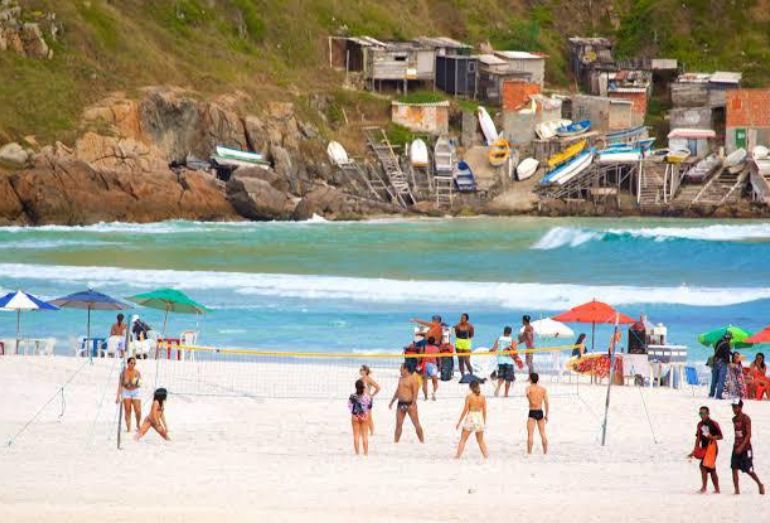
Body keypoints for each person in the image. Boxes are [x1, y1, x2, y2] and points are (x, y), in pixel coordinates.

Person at [730, 399, 765, 495]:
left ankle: (759, 484)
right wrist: (737, 446)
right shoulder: (734, 419)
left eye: (735, 407)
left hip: (745, 447)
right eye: (733, 407)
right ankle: (737, 490)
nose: (734, 409)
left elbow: (748, 434)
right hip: (736, 446)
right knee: (734, 468)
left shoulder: (746, 418)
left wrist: (741, 447)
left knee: (748, 469)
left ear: (740, 407)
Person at [687, 405, 722, 494]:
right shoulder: (699, 424)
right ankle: (714, 489)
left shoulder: (713, 423)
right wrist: (694, 451)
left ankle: (706, 488)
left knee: (705, 467)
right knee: (709, 468)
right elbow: (698, 438)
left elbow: (720, 436)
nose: (701, 415)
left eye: (703, 413)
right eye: (700, 413)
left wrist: (712, 437)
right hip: (704, 448)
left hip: (712, 447)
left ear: (708, 414)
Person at [389, 364, 424, 443]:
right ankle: (396, 442)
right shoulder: (400, 379)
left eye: (401, 369)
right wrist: (392, 402)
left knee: (416, 424)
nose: (400, 370)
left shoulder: (413, 379)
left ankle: (422, 441)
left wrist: (413, 404)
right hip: (400, 404)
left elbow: (415, 392)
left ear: (406, 369)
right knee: (398, 424)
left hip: (410, 403)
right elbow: (398, 391)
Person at [454, 380, 488, 459]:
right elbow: (485, 411)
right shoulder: (483, 397)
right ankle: (486, 456)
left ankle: (457, 456)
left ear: (470, 388)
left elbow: (465, 410)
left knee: (463, 439)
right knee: (480, 441)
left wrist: (459, 422)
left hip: (471, 416)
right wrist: (484, 421)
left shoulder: (469, 397)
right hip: (479, 417)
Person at [115, 357, 142, 432]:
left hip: (135, 391)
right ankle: (128, 428)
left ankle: (138, 424)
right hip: (126, 392)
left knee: (138, 410)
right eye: (131, 363)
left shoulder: (137, 372)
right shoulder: (123, 373)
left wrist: (133, 384)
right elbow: (120, 385)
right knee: (127, 410)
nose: (133, 365)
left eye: (134, 363)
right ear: (128, 363)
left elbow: (140, 384)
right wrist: (117, 396)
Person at [525, 373, 549, 455]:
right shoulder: (543, 389)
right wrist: (547, 414)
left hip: (532, 411)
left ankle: (529, 453)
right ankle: (545, 452)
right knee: (543, 433)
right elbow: (546, 402)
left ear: (531, 379)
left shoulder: (528, 388)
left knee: (530, 434)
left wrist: (530, 399)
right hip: (540, 411)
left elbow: (529, 398)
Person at [348, 379, 372, 456]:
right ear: (364, 387)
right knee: (365, 436)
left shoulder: (352, 396)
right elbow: (369, 407)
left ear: (356, 387)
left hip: (355, 416)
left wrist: (355, 413)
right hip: (364, 416)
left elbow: (349, 406)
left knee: (356, 436)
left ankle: (357, 453)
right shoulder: (368, 397)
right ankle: (366, 453)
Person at [492, 326, 516, 397]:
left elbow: (494, 349)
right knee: (508, 379)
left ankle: (498, 388)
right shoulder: (512, 340)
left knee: (501, 377)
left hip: (501, 360)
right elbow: (514, 350)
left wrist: (490, 350)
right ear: (510, 332)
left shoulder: (499, 339)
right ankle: (506, 394)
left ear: (504, 331)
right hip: (509, 361)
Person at [709, 332, 732, 399]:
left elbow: (719, 351)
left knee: (714, 379)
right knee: (721, 379)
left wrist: (730, 352)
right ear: (729, 339)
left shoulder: (719, 342)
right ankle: (718, 395)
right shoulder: (727, 345)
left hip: (716, 361)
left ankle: (711, 394)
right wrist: (729, 362)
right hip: (722, 362)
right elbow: (726, 355)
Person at [359, 365, 380, 435]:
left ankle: (372, 432)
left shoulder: (368, 379)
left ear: (366, 371)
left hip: (367, 399)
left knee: (369, 417)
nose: (360, 371)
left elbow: (378, 387)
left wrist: (372, 395)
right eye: (360, 370)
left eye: (362, 370)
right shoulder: (359, 380)